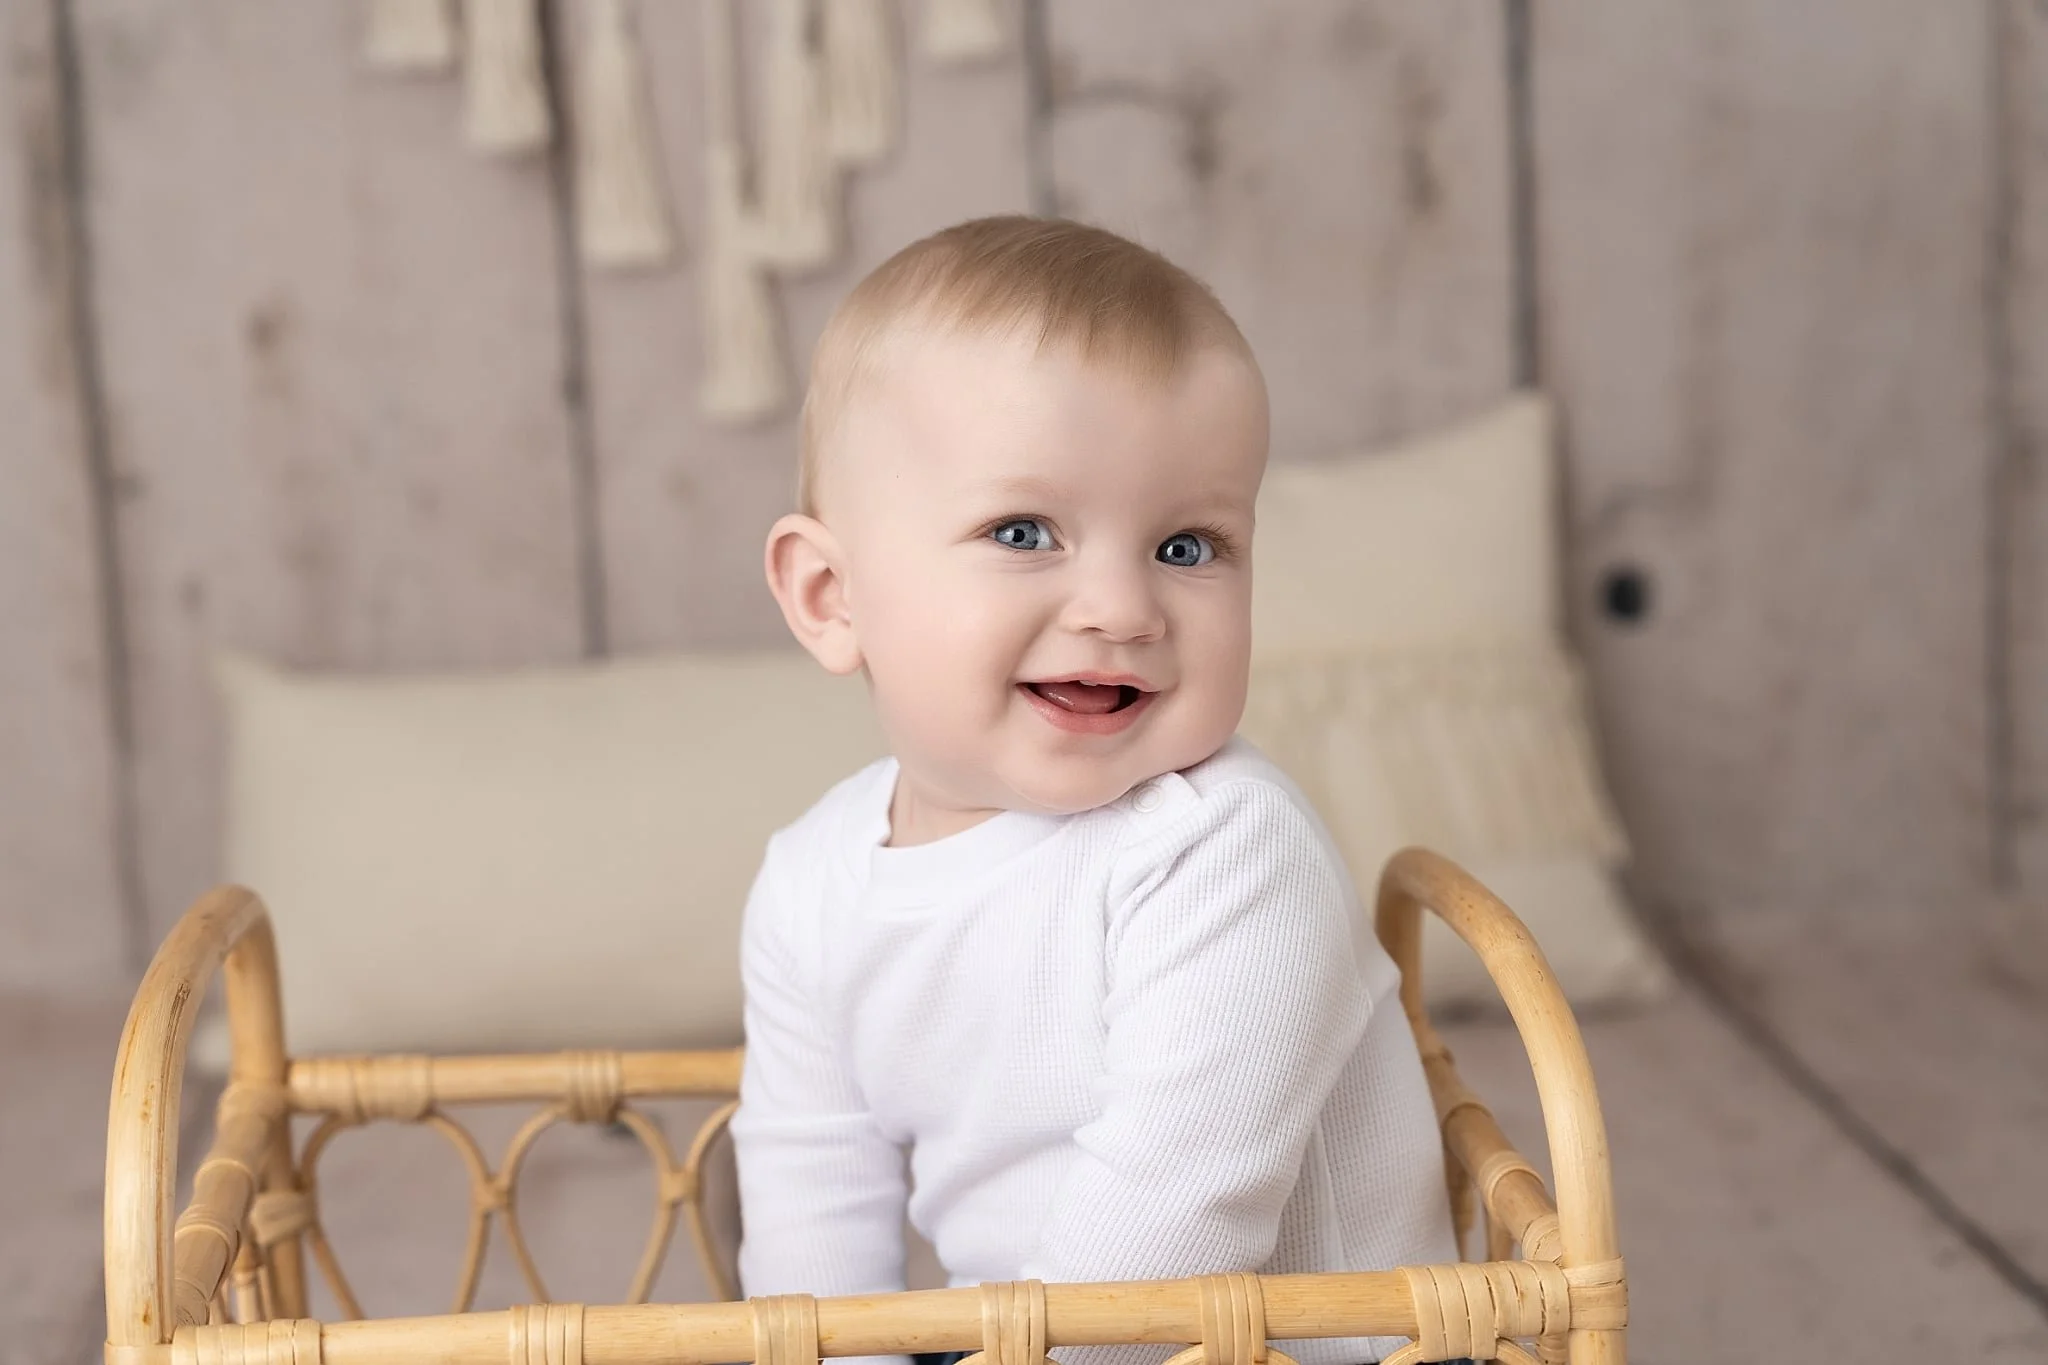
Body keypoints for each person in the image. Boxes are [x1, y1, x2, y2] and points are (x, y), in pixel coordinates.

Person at [734, 216, 1459, 1365]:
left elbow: (1167, 1231)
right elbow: (808, 1218)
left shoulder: (1225, 846)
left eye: (1187, 547)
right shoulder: (811, 882)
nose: (1121, 608)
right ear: (830, 596)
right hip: (1037, 1344)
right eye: (1024, 531)